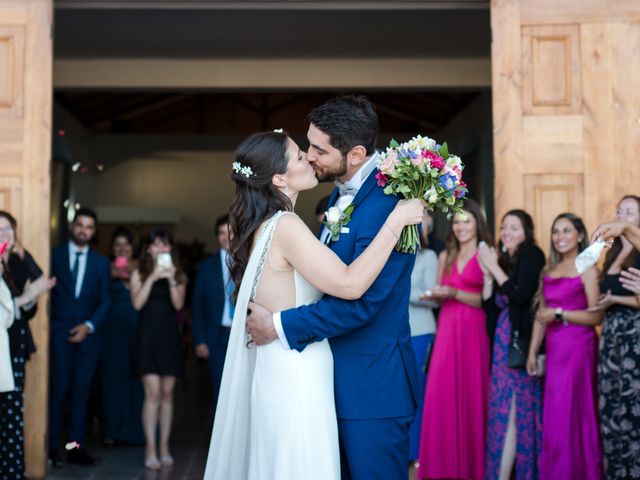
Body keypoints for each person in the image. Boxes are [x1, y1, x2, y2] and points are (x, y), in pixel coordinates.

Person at [206, 106, 425, 478]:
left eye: (317, 150)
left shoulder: (389, 203)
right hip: (306, 377)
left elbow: (365, 301)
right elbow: (346, 284)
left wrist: (278, 324)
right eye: (302, 149)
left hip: (369, 385)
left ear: (354, 154)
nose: (309, 156)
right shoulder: (292, 221)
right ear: (278, 178)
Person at [417, 198, 492, 480]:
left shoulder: (486, 254)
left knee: (474, 394)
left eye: (467, 222)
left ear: (477, 224)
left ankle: (475, 468)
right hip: (447, 331)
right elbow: (438, 294)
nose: (460, 227)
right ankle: (442, 468)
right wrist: (434, 295)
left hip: (474, 331)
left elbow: (488, 301)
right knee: (441, 394)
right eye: (457, 222)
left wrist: (455, 294)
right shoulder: (445, 256)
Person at [526, 213, 603, 480]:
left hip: (579, 350)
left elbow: (596, 316)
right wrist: (533, 351)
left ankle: (582, 472)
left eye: (566, 231)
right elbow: (541, 314)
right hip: (556, 350)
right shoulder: (549, 270)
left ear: (580, 235)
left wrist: (560, 314)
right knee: (557, 415)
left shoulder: (588, 268)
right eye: (556, 232)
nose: (560, 237)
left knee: (575, 412)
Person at [478, 210, 545, 480]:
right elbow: (488, 305)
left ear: (527, 232)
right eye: (504, 226)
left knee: (517, 413)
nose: (506, 232)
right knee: (501, 412)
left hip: (519, 344)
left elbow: (520, 295)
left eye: (514, 227)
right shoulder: (505, 260)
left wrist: (492, 266)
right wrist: (487, 274)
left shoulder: (532, 255)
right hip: (501, 346)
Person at [49, 207, 111, 467]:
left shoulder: (101, 263)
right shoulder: (55, 255)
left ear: (93, 232)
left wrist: (88, 325)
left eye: (89, 227)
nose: (83, 230)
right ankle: (52, 448)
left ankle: (74, 448)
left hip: (88, 340)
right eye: (80, 225)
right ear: (73, 227)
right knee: (59, 392)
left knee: (80, 395)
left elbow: (105, 300)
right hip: (59, 336)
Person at [588, 196, 640, 478]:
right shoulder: (614, 249)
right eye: (619, 212)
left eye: (629, 213)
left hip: (635, 334)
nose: (621, 217)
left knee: (634, 409)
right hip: (612, 334)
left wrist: (617, 300)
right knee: (612, 407)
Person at [0, 213, 55, 479]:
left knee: (12, 414)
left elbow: (41, 280)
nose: (3, 235)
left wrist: (21, 253)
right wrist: (27, 297)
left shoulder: (14, 264)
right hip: (2, 346)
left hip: (15, 347)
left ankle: (12, 471)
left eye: (7, 230)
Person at [131, 228, 186, 470]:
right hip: (147, 338)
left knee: (167, 394)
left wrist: (172, 277)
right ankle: (150, 448)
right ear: (148, 249)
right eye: (155, 245)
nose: (160, 249)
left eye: (164, 245)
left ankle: (164, 446)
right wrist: (153, 277)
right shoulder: (139, 273)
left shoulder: (179, 274)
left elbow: (178, 304)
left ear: (170, 249)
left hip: (169, 338)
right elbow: (137, 303)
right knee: (152, 394)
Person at [100, 227, 145, 446]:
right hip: (112, 330)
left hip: (137, 328)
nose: (122, 249)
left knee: (137, 380)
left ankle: (137, 431)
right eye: (117, 245)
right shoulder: (106, 267)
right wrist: (117, 271)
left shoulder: (142, 267)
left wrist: (129, 273)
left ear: (132, 247)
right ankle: (113, 429)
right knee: (113, 378)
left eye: (126, 245)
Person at [192, 214, 234, 410]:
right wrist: (199, 339)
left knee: (240, 389)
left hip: (242, 335)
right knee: (219, 390)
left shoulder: (249, 261)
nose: (227, 237)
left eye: (231, 232)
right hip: (215, 336)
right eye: (221, 233)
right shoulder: (205, 267)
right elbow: (197, 305)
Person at [407, 212, 438, 466]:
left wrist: (403, 287)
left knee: (419, 392)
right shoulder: (392, 255)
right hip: (399, 333)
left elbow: (433, 295)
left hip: (421, 331)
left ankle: (418, 451)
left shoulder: (428, 257)